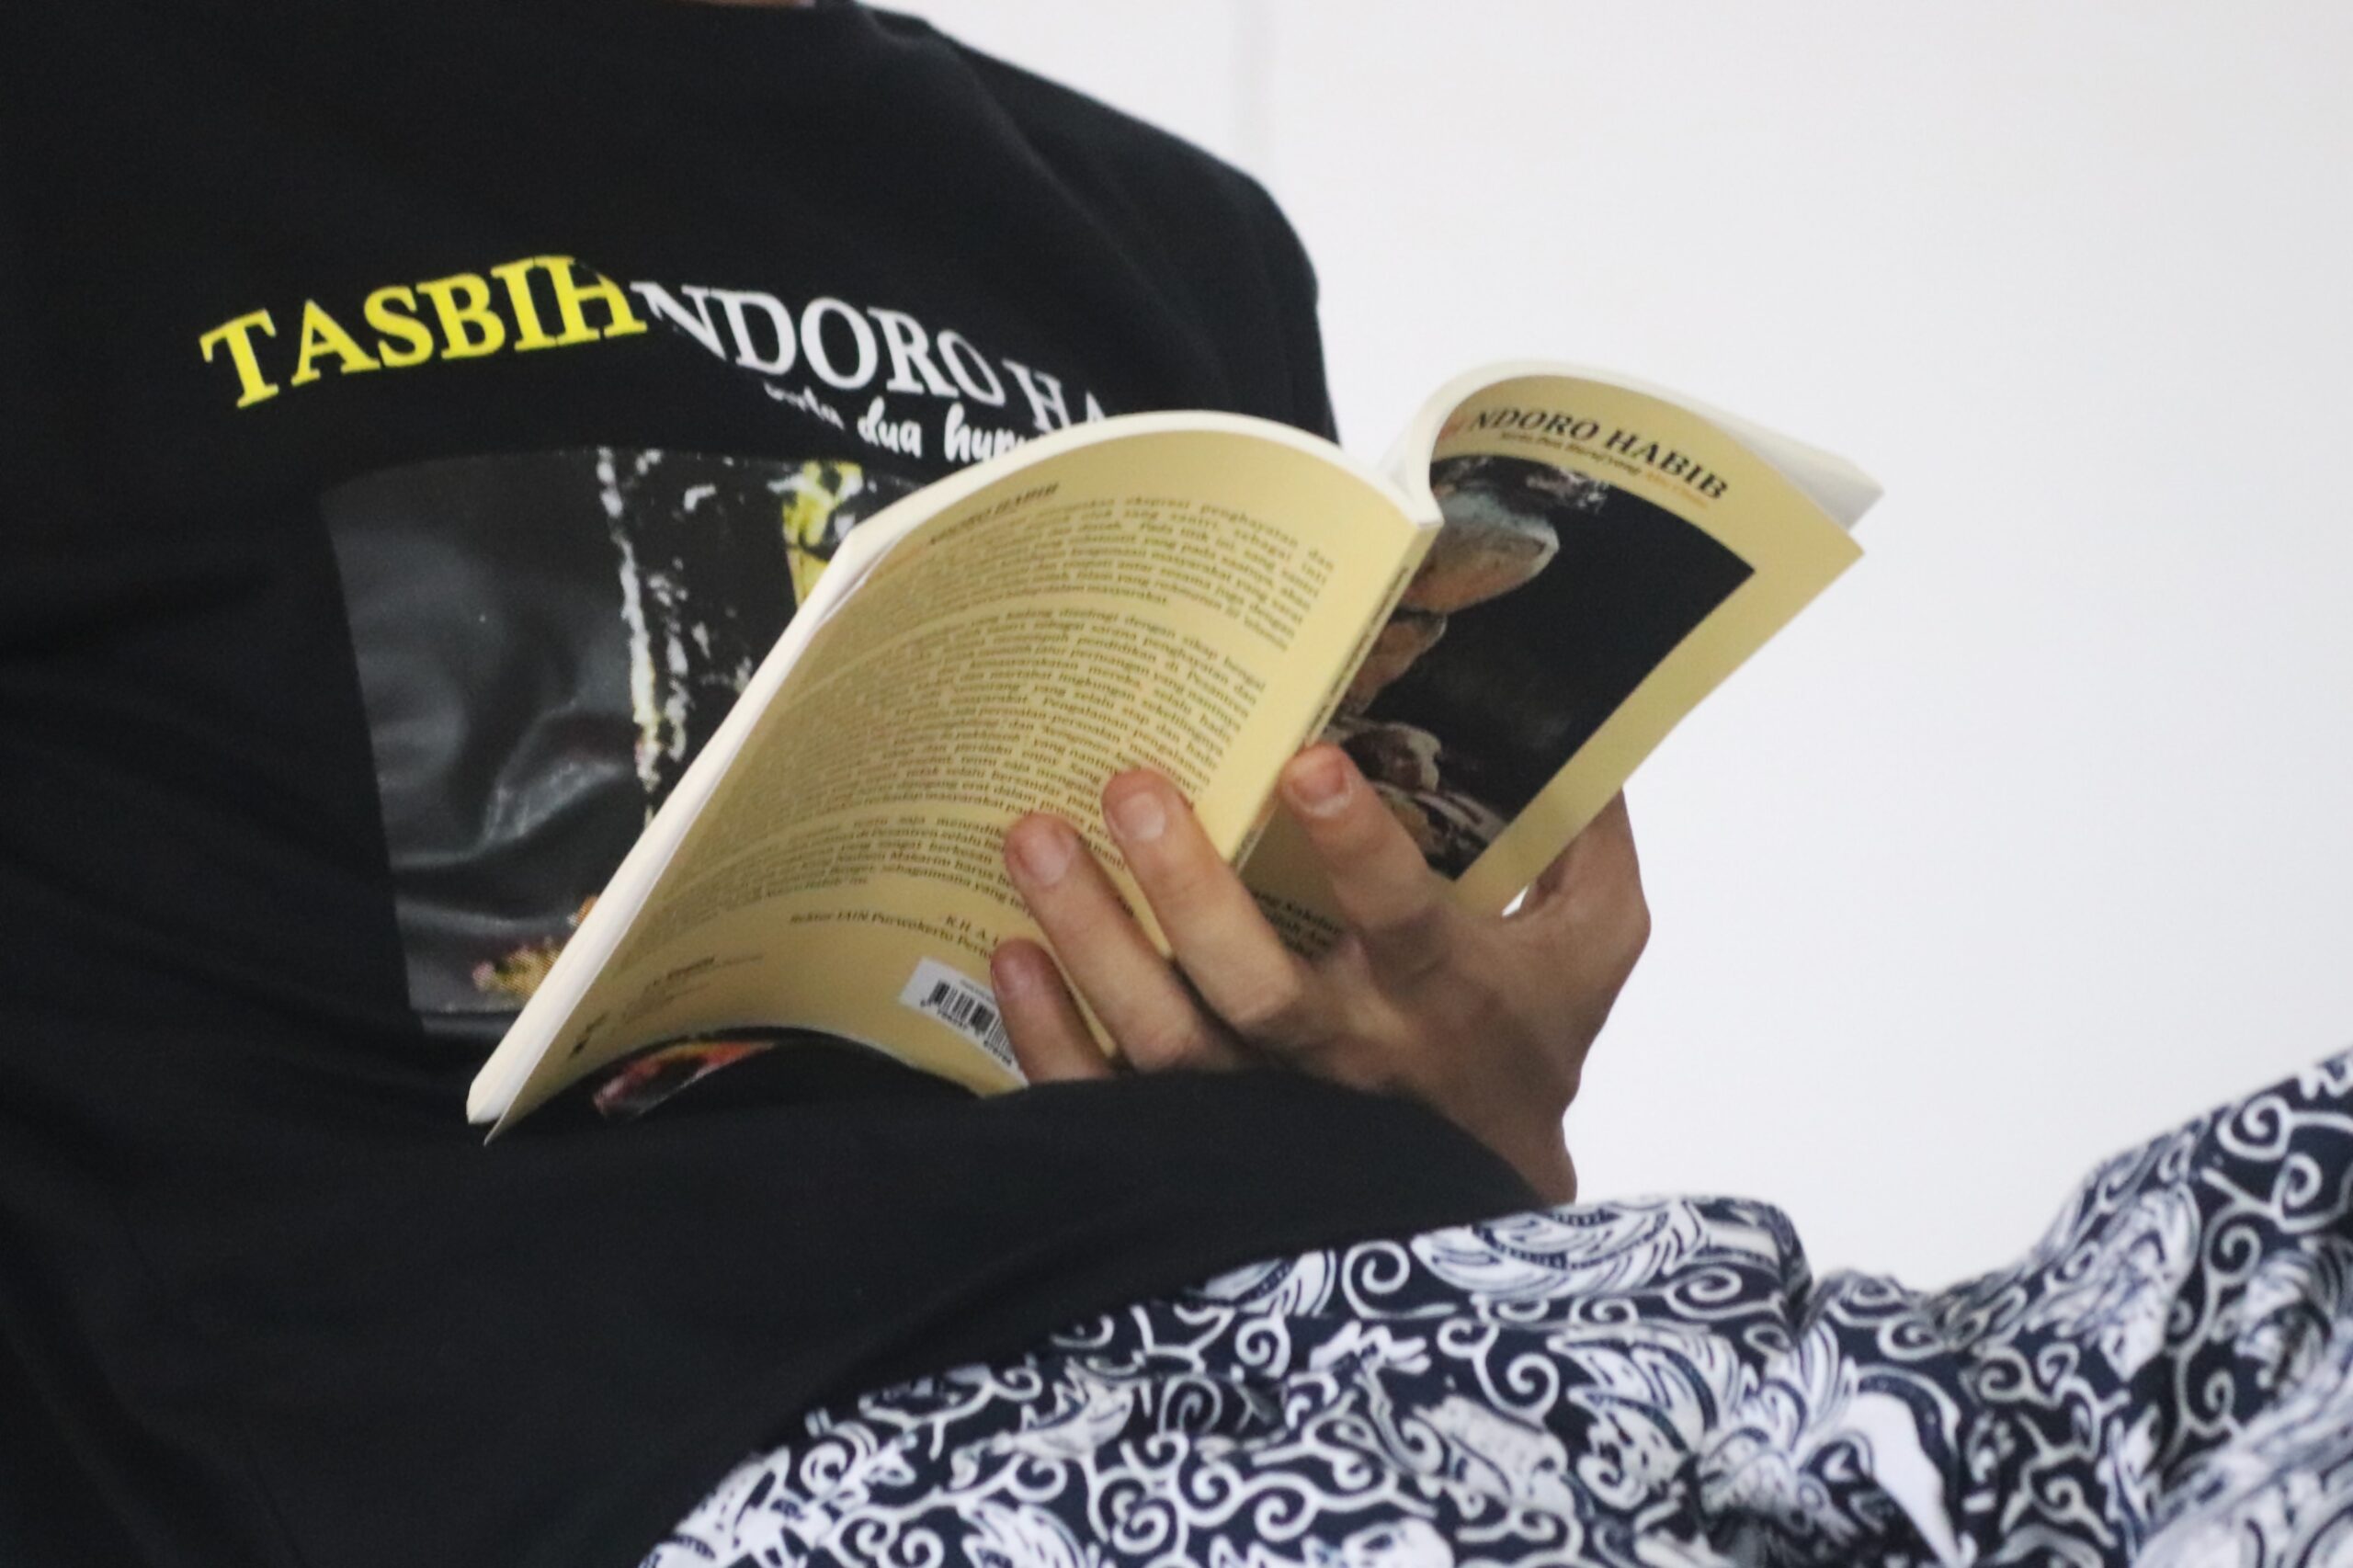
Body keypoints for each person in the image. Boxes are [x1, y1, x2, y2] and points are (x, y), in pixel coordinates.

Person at [5, 5, 2350, 1567]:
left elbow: (1308, 1126)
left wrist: (1467, 1113)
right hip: (751, 1477)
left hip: (1503, 1372)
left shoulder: (1144, 221)